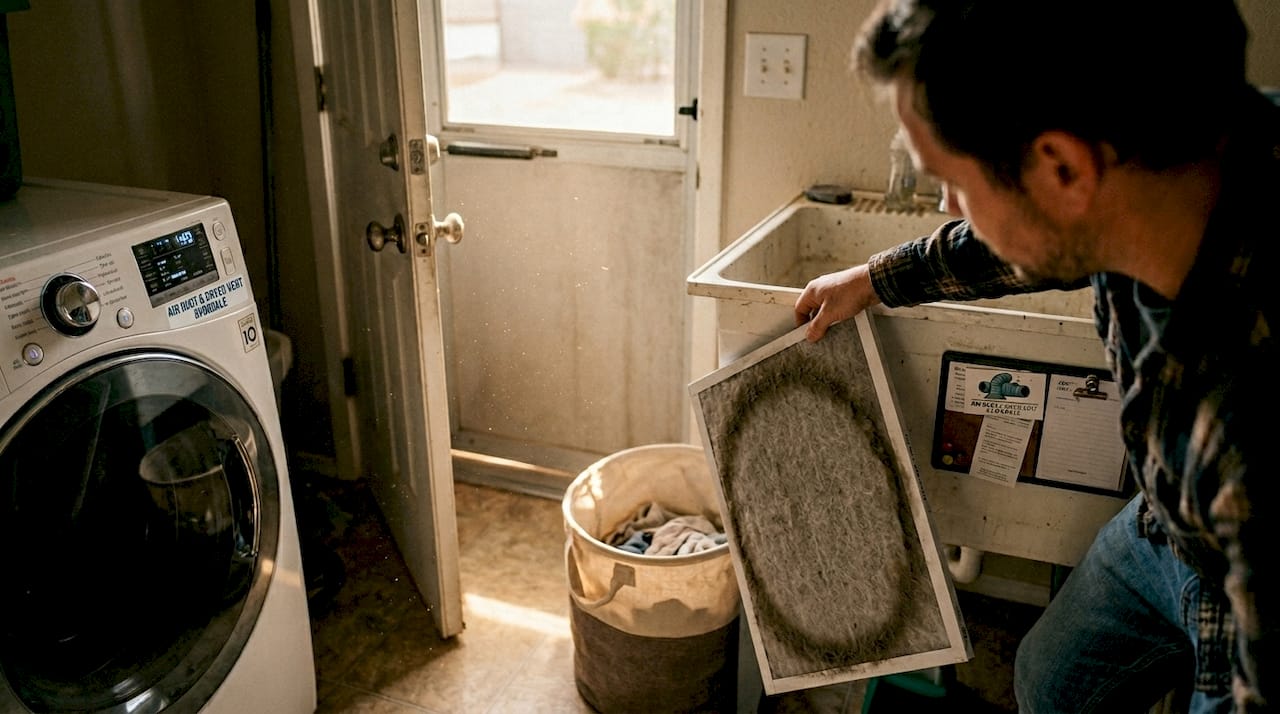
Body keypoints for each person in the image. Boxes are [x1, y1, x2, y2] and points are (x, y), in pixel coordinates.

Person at [792, 1, 1277, 712]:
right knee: (1050, 683)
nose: (947, 209)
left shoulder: (1244, 422)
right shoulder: (1166, 165)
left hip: (1237, 579)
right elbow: (1028, 239)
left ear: (1062, 170)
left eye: (951, 181)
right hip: (1165, 525)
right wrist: (874, 279)